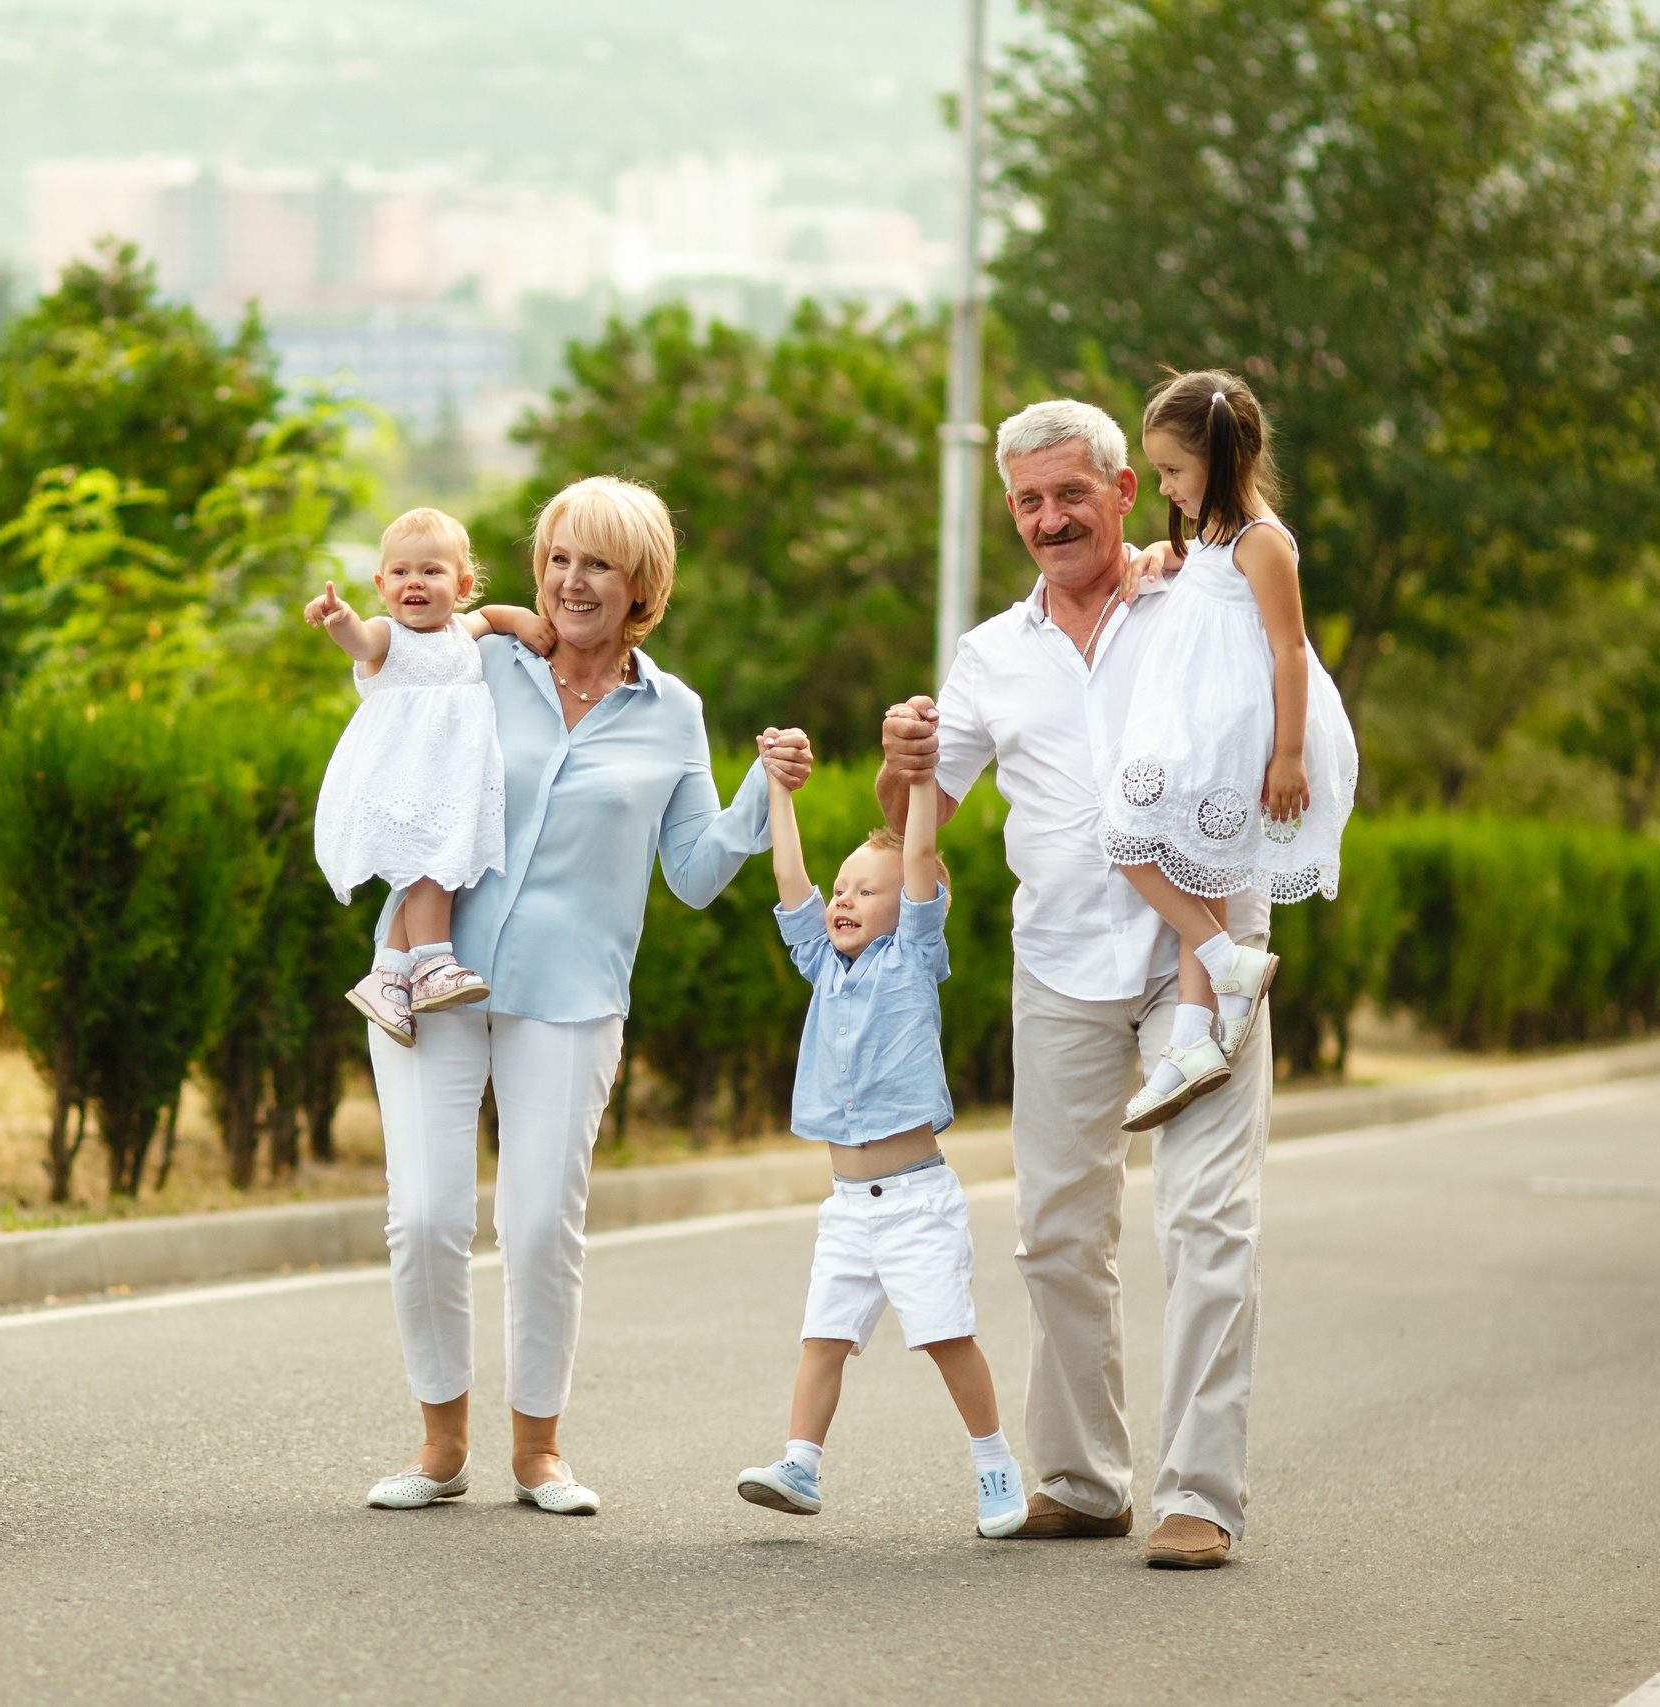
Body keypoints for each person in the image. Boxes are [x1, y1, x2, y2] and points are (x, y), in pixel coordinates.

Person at [360, 476, 813, 1517]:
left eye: (597, 563)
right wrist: (455, 619)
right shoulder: (484, 665)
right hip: (428, 971)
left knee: (537, 1227)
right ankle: (440, 1444)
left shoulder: (675, 712)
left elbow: (693, 872)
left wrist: (765, 788)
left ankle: (538, 1451)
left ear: (640, 585)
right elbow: (394, 683)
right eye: (558, 559)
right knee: (424, 1216)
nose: (571, 581)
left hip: (569, 995)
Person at [878, 398, 1272, 1570]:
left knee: (1204, 1220)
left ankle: (1197, 1495)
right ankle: (1084, 1480)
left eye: (1070, 494)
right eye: (1028, 501)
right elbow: (917, 819)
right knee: (1055, 1233)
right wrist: (899, 768)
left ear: (1123, 490)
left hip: (1203, 955)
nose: (1049, 519)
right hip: (1058, 964)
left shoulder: (1192, 600)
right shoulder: (989, 654)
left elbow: (1273, 669)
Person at [732, 742, 1028, 1539]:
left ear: (912, 905)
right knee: (822, 1337)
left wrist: (924, 779)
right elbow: (789, 878)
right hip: (847, 1208)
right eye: (842, 889)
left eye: (868, 890)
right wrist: (777, 790)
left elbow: (922, 854)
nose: (844, 899)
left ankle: (995, 1460)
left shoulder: (914, 957)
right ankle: (800, 1463)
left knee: (945, 1335)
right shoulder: (822, 964)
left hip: (916, 1204)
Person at [1099, 372, 1360, 1130]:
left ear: (1220, 459)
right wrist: (1164, 550)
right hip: (1204, 721)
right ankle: (1190, 1040)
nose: (1164, 486)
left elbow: (1289, 649)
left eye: (1173, 470)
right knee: (1199, 865)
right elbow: (1208, 582)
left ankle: (1227, 963)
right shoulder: (1215, 536)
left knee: (1126, 833)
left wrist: (1288, 755)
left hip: (1237, 728)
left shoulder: (1263, 541)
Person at [307, 508, 557, 1043]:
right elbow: (359, 641)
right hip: (403, 782)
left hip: (447, 784)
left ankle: (387, 978)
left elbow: (490, 615)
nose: (414, 582)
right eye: (400, 572)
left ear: (461, 586)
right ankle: (431, 962)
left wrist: (521, 620)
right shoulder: (388, 636)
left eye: (431, 571)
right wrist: (338, 618)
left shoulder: (462, 631)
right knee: (433, 873)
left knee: (435, 870)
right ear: (382, 586)